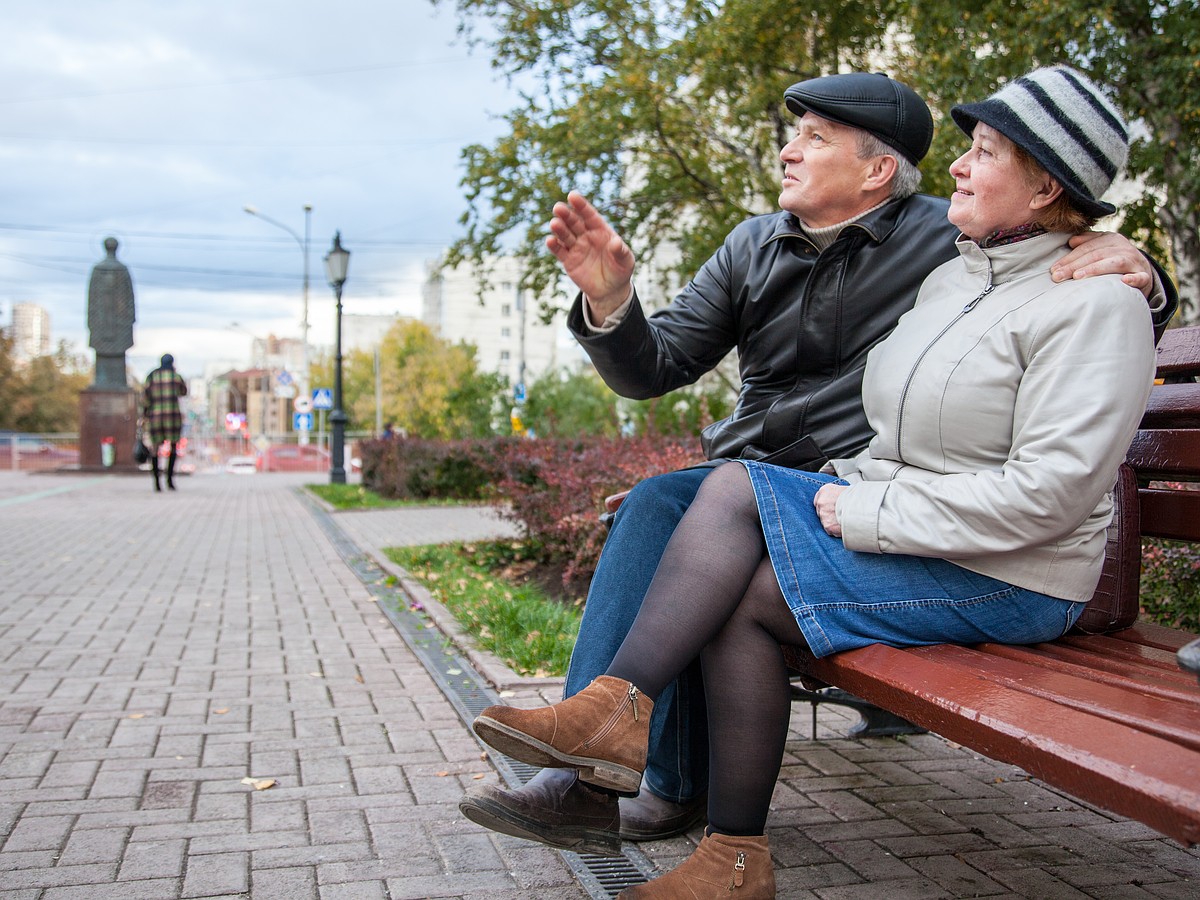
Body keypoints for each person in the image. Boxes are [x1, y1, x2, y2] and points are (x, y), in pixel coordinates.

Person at [468, 64, 1160, 897]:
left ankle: (619, 747)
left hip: (877, 504)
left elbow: (1070, 279)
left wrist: (1146, 271)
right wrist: (613, 305)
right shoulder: (765, 247)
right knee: (676, 501)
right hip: (828, 487)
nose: (790, 152)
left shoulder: (949, 238)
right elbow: (658, 365)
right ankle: (616, 771)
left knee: (715, 503)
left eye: (813, 137)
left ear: (875, 171)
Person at [87, 236, 137, 389]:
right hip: (111, 323)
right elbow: (130, 299)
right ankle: (105, 382)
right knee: (104, 353)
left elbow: (92, 298)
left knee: (114, 353)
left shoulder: (100, 270)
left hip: (109, 323)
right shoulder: (118, 270)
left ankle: (114, 382)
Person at [143, 354, 188, 492]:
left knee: (155, 448)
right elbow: (184, 392)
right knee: (173, 447)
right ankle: (170, 480)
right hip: (173, 416)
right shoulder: (176, 377)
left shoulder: (152, 376)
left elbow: (145, 398)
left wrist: (145, 414)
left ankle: (156, 482)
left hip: (155, 416)